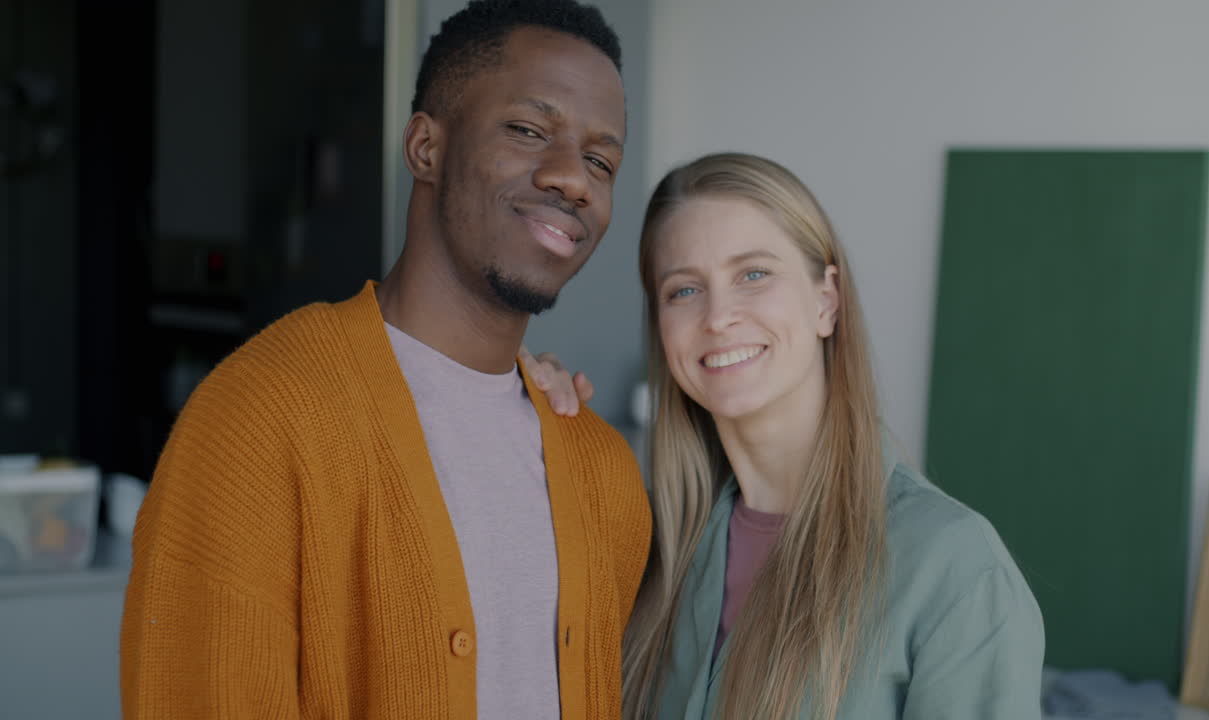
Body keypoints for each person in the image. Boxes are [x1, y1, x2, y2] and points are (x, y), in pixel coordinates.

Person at [118, 2, 651, 718]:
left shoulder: (602, 472)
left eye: (600, 161)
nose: (573, 179)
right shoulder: (258, 420)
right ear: (425, 148)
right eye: (528, 131)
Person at [608, 152, 1043, 719]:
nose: (717, 317)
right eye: (684, 290)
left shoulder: (954, 566)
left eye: (753, 274)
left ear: (826, 301)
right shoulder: (649, 551)